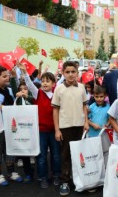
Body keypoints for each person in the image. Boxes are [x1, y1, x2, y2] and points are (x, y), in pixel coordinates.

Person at [19, 62, 61, 189]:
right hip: (41, 131)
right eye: (43, 81)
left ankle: (56, 175)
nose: (44, 83)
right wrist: (25, 72)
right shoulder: (38, 93)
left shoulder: (57, 95)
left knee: (56, 155)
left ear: (54, 84)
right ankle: (43, 177)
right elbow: (30, 85)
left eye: (48, 81)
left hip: (55, 131)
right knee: (41, 156)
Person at [52, 61, 89, 196]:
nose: (71, 74)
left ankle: (79, 180)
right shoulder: (58, 89)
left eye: (73, 71)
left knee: (79, 154)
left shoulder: (81, 87)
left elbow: (84, 106)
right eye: (67, 72)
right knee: (65, 155)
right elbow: (55, 110)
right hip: (65, 126)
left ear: (77, 73)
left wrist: (86, 122)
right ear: (63, 73)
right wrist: (57, 129)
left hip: (80, 126)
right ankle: (65, 181)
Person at [0, 66, 23, 186]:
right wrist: (2, 108)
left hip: (9, 125)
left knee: (10, 149)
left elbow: (15, 96)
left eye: (7, 75)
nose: (7, 78)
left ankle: (11, 172)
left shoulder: (8, 89)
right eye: (4, 76)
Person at [9, 68, 34, 184]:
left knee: (37, 153)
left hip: (33, 130)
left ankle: (42, 173)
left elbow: (32, 100)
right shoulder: (18, 100)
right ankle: (28, 173)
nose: (23, 91)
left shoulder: (32, 99)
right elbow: (14, 89)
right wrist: (13, 78)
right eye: (21, 89)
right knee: (25, 155)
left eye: (25, 89)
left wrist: (26, 97)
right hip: (22, 130)